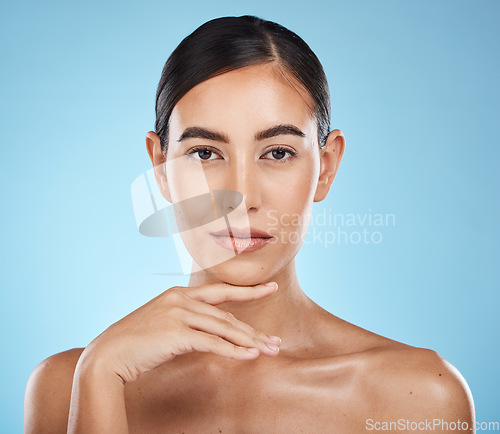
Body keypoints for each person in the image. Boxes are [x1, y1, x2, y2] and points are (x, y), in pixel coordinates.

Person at [24, 15, 475, 433]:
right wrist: (100, 377)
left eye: (277, 153)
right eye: (205, 153)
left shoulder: (419, 398)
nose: (241, 200)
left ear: (326, 166)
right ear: (160, 166)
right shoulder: (67, 387)